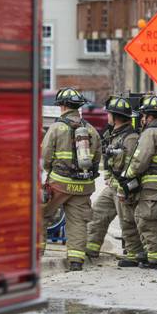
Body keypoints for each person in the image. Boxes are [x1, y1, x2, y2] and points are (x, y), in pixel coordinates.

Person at [41, 88, 101, 271]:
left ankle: (36, 254)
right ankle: (76, 261)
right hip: (83, 186)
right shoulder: (90, 130)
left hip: (59, 183)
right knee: (77, 222)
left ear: (63, 106)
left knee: (41, 215)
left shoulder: (56, 128)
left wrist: (49, 171)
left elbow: (45, 156)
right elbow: (97, 158)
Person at [85, 96, 146, 267]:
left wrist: (125, 187)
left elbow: (133, 163)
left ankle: (135, 254)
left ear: (115, 116)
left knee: (127, 221)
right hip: (112, 185)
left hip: (123, 187)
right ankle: (91, 248)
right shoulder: (114, 134)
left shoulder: (131, 137)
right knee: (97, 213)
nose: (107, 117)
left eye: (109, 114)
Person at [122, 95, 157, 269]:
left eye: (143, 116)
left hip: (154, 184)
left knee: (149, 220)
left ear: (150, 116)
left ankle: (156, 259)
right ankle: (151, 254)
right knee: (150, 217)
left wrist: (127, 175)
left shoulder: (151, 132)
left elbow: (140, 160)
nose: (142, 119)